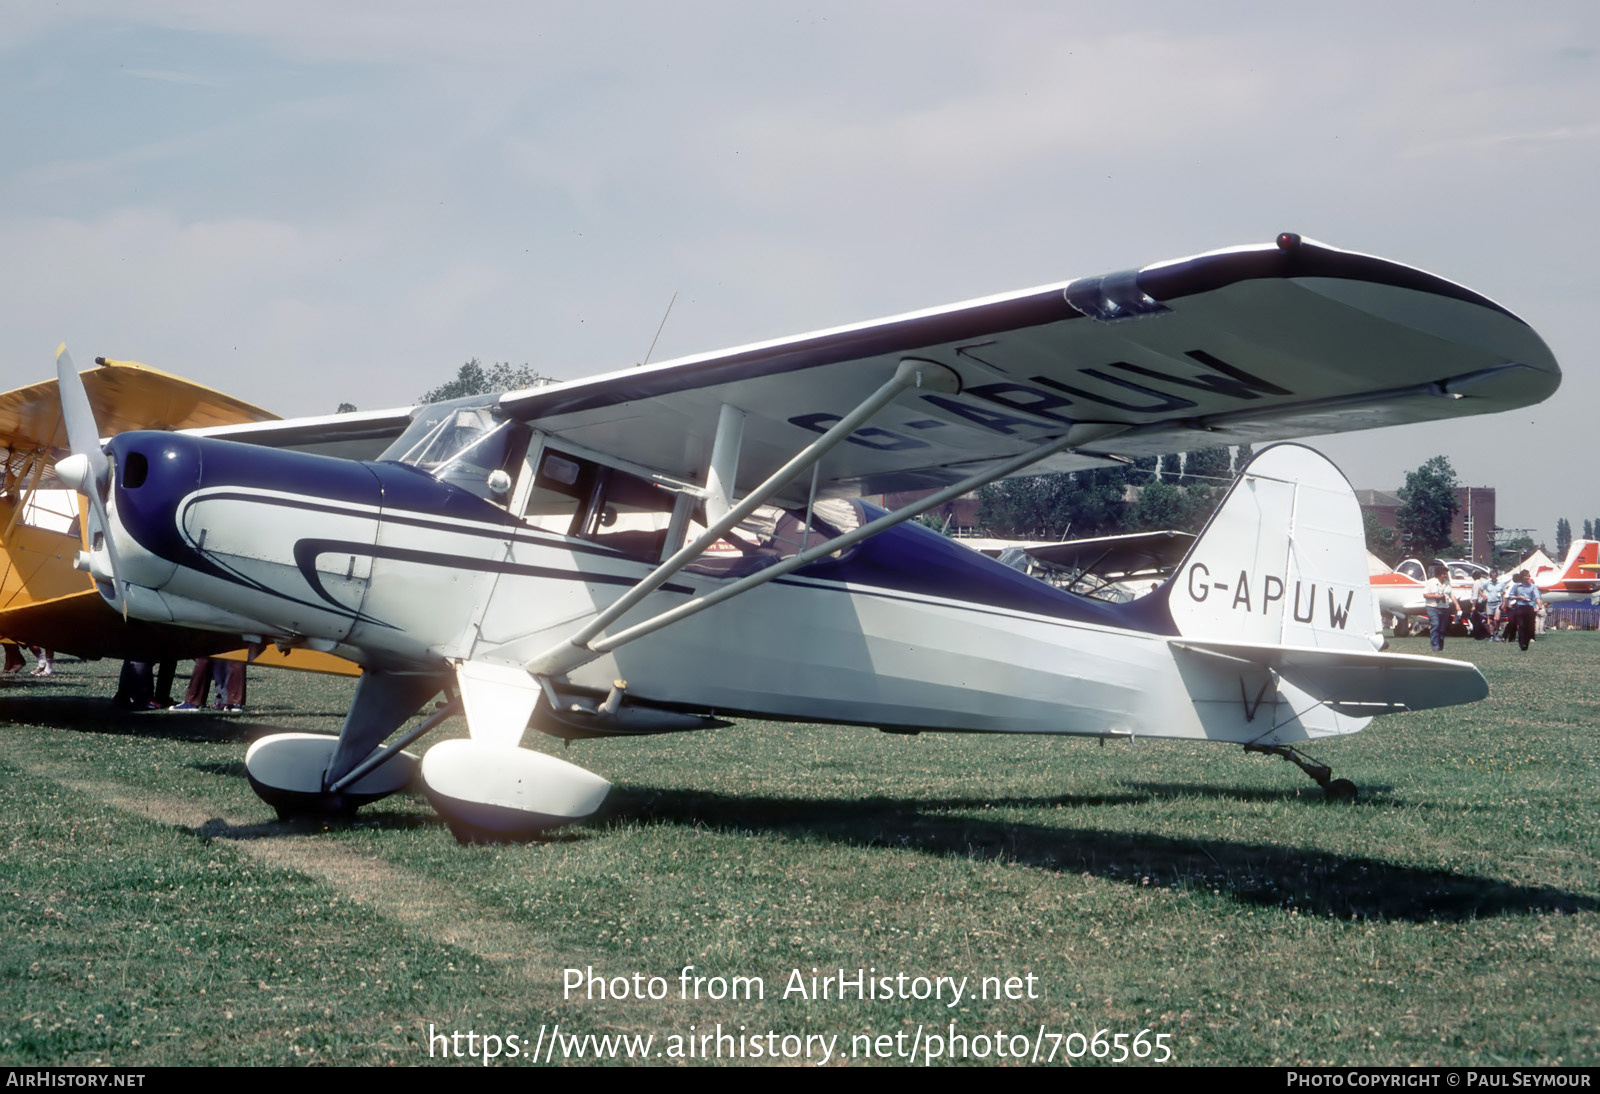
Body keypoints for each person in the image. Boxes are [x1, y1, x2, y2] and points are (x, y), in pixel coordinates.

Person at [1503, 570, 1542, 651]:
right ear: (1522, 577)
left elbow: (1537, 596)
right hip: (1520, 607)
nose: (1528, 577)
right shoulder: (1516, 586)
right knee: (1521, 626)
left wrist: (1539, 605)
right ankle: (1522, 643)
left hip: (1529, 608)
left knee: (1529, 627)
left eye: (1529, 576)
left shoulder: (1533, 586)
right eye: (1526, 576)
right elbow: (1510, 596)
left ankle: (1526, 642)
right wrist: (1519, 597)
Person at [1424, 564, 1451, 652]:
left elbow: (1451, 594)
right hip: (1432, 607)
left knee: (1442, 628)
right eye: (1444, 574)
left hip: (1445, 608)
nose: (1446, 575)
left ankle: (1440, 645)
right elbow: (1425, 594)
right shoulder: (1430, 582)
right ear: (1439, 574)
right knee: (1435, 625)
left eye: (1446, 574)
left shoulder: (1447, 583)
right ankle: (1435, 647)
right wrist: (1436, 596)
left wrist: (1457, 605)